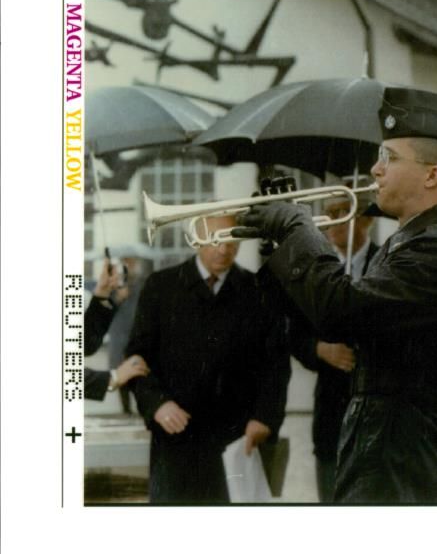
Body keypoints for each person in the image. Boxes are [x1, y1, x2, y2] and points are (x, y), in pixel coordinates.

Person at [250, 86, 437, 504]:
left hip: (401, 458)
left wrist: (298, 230)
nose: (375, 171)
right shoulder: (416, 239)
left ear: (432, 175)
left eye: (389, 158)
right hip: (388, 448)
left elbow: (340, 311)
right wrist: (279, 246)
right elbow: (324, 308)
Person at [126, 213, 291, 504]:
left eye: (231, 240)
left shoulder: (259, 291)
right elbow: (137, 358)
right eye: (215, 240)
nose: (224, 249)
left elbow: (276, 365)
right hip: (175, 439)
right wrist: (157, 403)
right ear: (195, 241)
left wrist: (265, 418)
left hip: (237, 440)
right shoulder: (160, 287)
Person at [289, 190, 379, 503]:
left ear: (366, 218)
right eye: (329, 213)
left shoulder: (388, 263)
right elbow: (294, 334)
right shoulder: (316, 270)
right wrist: (320, 349)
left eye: (344, 210)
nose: (335, 221)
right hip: (331, 416)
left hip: (378, 416)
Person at [85, 257, 149, 401]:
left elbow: (85, 344)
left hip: (135, 333)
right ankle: (126, 407)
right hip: (119, 334)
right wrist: (112, 377)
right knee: (122, 368)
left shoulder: (142, 283)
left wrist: (101, 295)